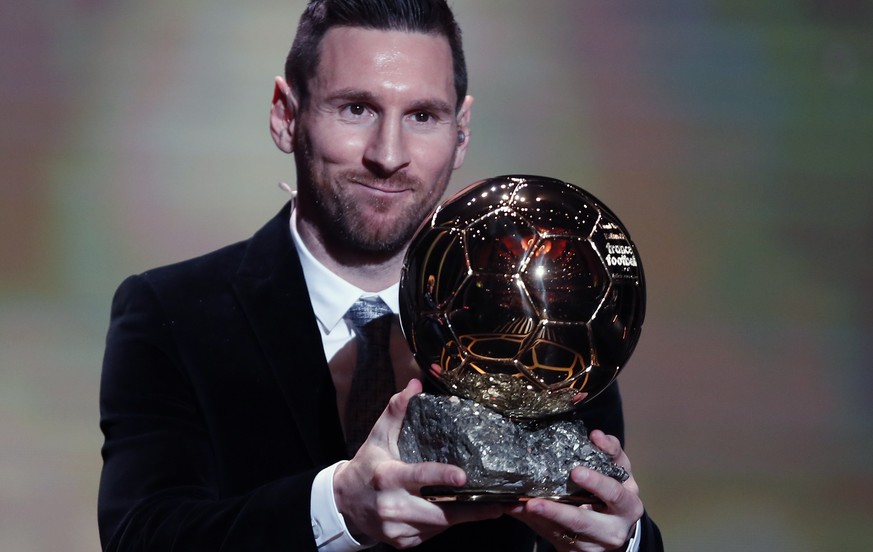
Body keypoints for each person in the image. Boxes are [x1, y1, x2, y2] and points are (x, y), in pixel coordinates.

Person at [97, 1, 664, 550]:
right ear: (285, 115)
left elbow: (610, 518)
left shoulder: (549, 315)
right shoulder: (171, 313)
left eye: (422, 116)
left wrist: (623, 542)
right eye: (356, 108)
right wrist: (339, 508)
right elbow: (142, 535)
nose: (389, 154)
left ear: (461, 132)